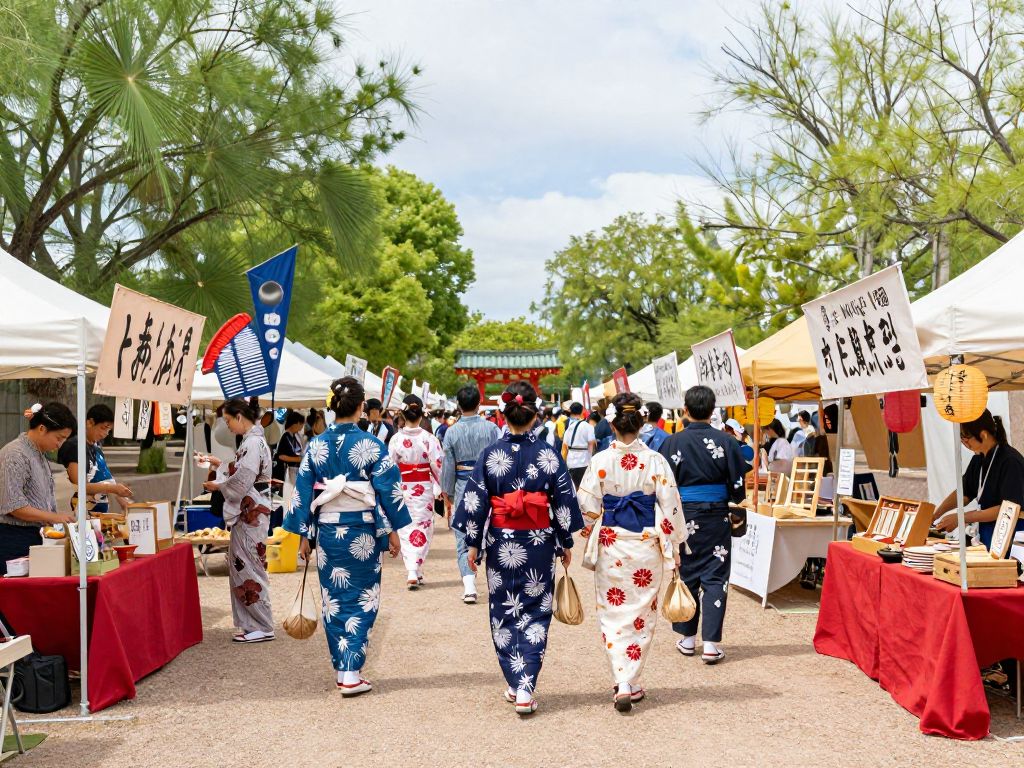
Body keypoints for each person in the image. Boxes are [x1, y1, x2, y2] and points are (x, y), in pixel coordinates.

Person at [452, 381, 583, 716]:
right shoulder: (547, 454)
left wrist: (472, 544)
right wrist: (565, 540)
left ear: (502, 414)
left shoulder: (489, 455)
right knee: (536, 611)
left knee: (504, 610)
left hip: (501, 541)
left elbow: (476, 501)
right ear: (536, 415)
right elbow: (564, 502)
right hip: (538, 541)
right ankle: (526, 686)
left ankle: (516, 682)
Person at [284, 377, 409, 696]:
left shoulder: (316, 445)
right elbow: (387, 491)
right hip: (362, 531)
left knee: (334, 600)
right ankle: (352, 671)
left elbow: (303, 492)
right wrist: (392, 530)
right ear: (360, 407)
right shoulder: (371, 445)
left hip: (327, 532)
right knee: (363, 597)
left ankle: (344, 669)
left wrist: (304, 535)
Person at [577, 392, 686, 712]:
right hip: (645, 546)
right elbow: (671, 507)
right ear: (642, 423)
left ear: (611, 424)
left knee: (613, 614)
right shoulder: (656, 461)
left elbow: (587, 506)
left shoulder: (600, 461)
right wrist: (675, 545)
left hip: (612, 544)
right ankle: (631, 679)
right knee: (641, 614)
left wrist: (590, 525)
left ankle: (621, 679)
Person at [659, 385, 749, 664]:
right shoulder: (727, 442)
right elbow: (737, 485)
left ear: (685, 410)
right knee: (715, 576)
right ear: (713, 411)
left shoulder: (671, 443)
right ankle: (710, 644)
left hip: (683, 515)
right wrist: (732, 496)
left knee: (687, 572)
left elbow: (663, 486)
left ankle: (687, 639)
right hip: (715, 517)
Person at [203, 398, 275, 644]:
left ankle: (262, 624)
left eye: (228, 420)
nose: (228, 426)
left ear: (240, 417)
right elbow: (242, 471)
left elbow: (244, 477)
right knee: (245, 564)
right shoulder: (254, 441)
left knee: (250, 565)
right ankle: (252, 622)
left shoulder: (253, 442)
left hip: (251, 510)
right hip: (251, 508)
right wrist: (220, 464)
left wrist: (220, 484)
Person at [441, 384, 501, 603]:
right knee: (490, 532)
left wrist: (446, 490)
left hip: (463, 488)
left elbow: (448, 465)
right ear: (479, 403)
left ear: (458, 405)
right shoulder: (492, 429)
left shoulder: (452, 431)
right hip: (489, 487)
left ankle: (469, 585)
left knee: (463, 535)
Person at [0, 403, 77, 573]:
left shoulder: (39, 455)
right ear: (42, 428)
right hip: (13, 537)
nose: (60, 444)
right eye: (59, 438)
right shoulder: (14, 454)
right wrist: (54, 517)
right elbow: (13, 505)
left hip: (34, 534)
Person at [932, 410, 1024, 547]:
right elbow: (965, 493)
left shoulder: (1010, 461)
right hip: (988, 532)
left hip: (1011, 533)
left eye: (966, 438)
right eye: (961, 438)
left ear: (983, 435)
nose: (964, 443)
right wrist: (936, 514)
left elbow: (1008, 509)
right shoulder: (979, 459)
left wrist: (961, 518)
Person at [388, 394, 443, 589]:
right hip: (423, 489)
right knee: (422, 526)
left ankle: (414, 570)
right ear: (422, 415)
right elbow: (438, 466)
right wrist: (442, 487)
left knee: (405, 527)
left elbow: (390, 468)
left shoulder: (395, 439)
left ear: (402, 414)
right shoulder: (429, 439)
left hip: (403, 488)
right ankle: (413, 569)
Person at [57, 404, 132, 514]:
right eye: (103, 428)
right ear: (90, 423)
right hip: (78, 515)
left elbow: (105, 478)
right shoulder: (75, 447)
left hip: (97, 515)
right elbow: (79, 486)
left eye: (109, 430)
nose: (105, 434)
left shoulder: (97, 448)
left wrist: (121, 497)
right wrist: (113, 489)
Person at [561, 402, 596, 488]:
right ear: (582, 412)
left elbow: (564, 448)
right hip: (584, 462)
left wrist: (563, 463)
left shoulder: (569, 427)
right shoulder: (588, 427)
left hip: (571, 462)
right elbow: (591, 445)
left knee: (574, 488)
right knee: (585, 488)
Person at [273, 411, 306, 484]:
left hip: (294, 471)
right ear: (297, 423)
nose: (302, 427)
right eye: (301, 424)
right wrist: (299, 459)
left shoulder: (294, 435)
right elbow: (281, 456)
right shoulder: (286, 436)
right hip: (286, 472)